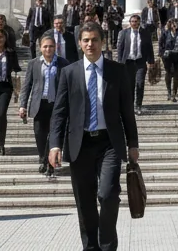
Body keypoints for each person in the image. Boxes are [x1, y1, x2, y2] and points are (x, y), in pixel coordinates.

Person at [48, 21, 140, 251]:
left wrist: (133, 143)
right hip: (80, 143)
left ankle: (108, 245)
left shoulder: (117, 71)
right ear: (79, 43)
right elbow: (59, 112)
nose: (90, 44)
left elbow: (127, 111)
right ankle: (90, 247)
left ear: (103, 42)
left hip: (109, 142)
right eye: (86, 40)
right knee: (85, 201)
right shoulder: (69, 72)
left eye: (95, 40)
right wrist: (54, 145)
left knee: (108, 194)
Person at [19, 31, 69, 178]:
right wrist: (22, 104)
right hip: (39, 104)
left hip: (56, 105)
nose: (48, 49)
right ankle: (42, 157)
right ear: (40, 48)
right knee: (39, 134)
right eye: (45, 47)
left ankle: (50, 164)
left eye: (51, 47)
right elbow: (27, 85)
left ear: (55, 47)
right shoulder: (34, 64)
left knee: (54, 135)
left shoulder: (63, 63)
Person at [117, 13, 155, 115]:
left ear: (139, 22)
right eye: (132, 22)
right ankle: (130, 106)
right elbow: (120, 49)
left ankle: (138, 105)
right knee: (129, 86)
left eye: (136, 21)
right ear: (130, 23)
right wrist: (119, 63)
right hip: (128, 63)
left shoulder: (145, 33)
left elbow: (149, 48)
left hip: (140, 62)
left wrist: (151, 62)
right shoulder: (124, 33)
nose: (134, 23)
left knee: (140, 83)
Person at [160, 18, 178, 102]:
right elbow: (161, 45)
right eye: (173, 23)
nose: (174, 25)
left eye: (176, 23)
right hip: (167, 58)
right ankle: (168, 91)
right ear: (170, 25)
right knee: (168, 73)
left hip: (177, 57)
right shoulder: (165, 33)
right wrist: (162, 55)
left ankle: (174, 94)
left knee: (176, 75)